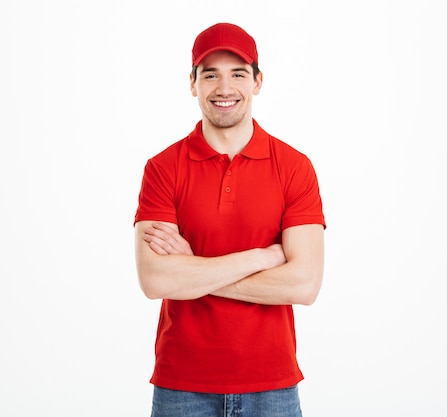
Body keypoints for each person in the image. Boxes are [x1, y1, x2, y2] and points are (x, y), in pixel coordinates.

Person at [134, 22, 326, 417]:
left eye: (238, 73)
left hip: (272, 386)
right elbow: (156, 280)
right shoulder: (162, 169)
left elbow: (304, 284)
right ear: (193, 84)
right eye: (210, 75)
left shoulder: (294, 167)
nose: (224, 88)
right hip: (181, 385)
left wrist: (194, 271)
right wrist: (260, 257)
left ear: (257, 82)